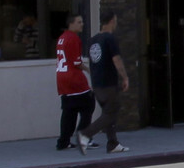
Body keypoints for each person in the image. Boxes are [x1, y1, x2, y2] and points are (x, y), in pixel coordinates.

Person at [85, 10, 131, 154]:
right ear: (112, 21)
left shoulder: (93, 40)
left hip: (97, 83)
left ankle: (113, 144)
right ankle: (85, 134)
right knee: (111, 112)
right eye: (115, 20)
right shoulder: (110, 39)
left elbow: (93, 62)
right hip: (108, 83)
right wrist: (125, 77)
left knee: (108, 112)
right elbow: (116, 60)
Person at [54, 12, 94, 153]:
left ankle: (63, 141)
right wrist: (89, 70)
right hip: (74, 78)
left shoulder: (62, 38)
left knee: (69, 111)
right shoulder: (74, 38)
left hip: (62, 78)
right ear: (71, 24)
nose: (82, 24)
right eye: (79, 22)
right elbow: (77, 62)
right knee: (88, 105)